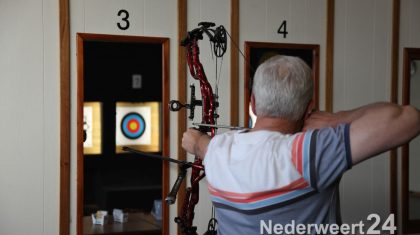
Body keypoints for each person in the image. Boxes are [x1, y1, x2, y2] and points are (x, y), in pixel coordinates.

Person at [182, 55, 420, 235]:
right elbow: (409, 118)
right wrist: (337, 119)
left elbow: (196, 142)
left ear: (253, 104)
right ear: (309, 108)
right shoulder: (307, 153)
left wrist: (196, 141)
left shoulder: (218, 151)